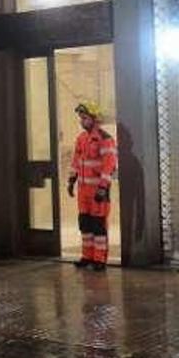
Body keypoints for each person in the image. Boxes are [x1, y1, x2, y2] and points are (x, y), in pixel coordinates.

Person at [67, 102, 118, 271]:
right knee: (85, 224)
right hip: (83, 191)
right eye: (81, 118)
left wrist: (103, 188)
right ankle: (87, 256)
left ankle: (99, 259)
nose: (82, 121)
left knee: (98, 225)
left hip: (98, 191)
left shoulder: (105, 139)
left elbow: (109, 165)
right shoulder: (81, 139)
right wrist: (71, 179)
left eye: (85, 118)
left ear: (94, 119)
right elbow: (76, 161)